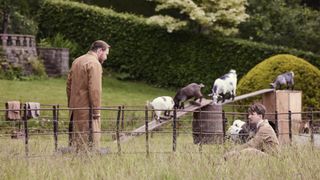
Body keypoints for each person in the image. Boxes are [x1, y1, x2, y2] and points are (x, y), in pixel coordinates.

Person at [66, 40, 110, 152]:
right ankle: (87, 165)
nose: (106, 58)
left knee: (76, 142)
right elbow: (95, 90)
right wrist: (96, 111)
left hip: (75, 109)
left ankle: (76, 162)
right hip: (87, 110)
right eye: (106, 54)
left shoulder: (77, 61)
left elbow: (68, 85)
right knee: (89, 143)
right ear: (100, 51)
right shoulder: (94, 64)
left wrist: (70, 105)